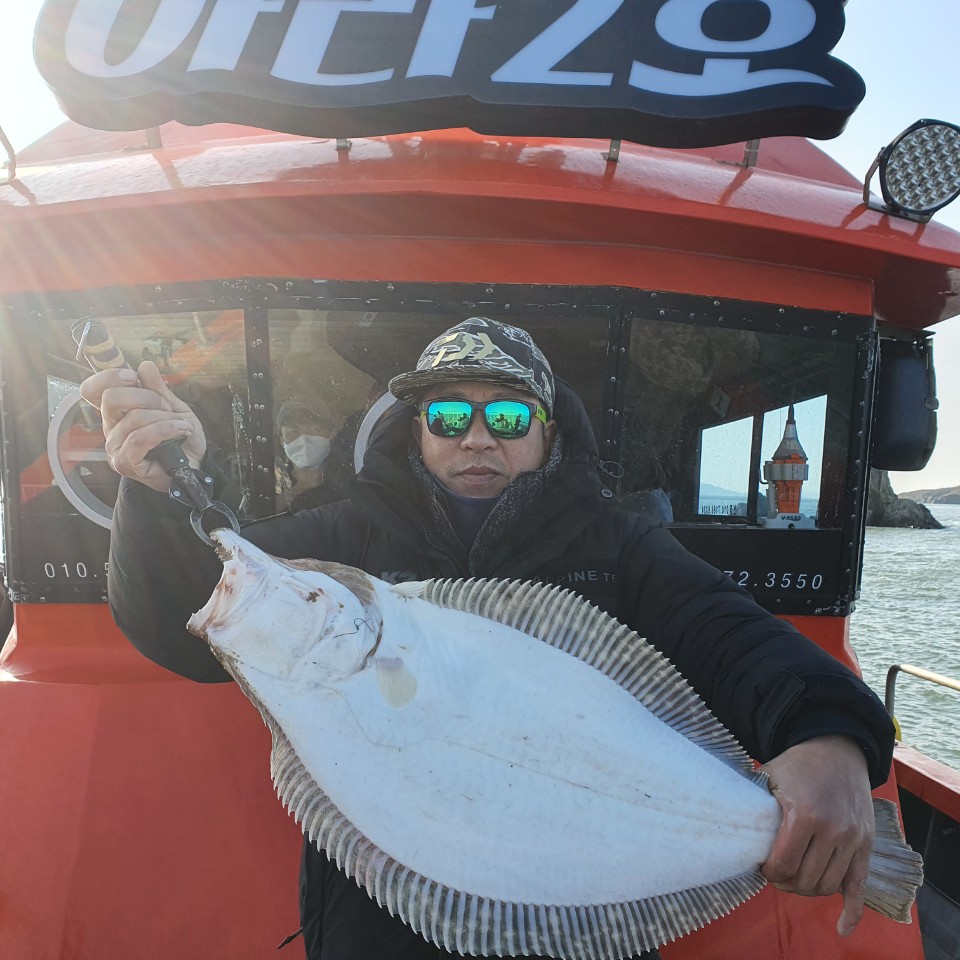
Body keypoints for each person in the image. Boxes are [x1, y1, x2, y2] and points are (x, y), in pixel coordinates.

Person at [80, 317, 894, 960]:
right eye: (448, 416)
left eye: (506, 415)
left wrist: (828, 734)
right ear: (418, 432)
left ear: (547, 433)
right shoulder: (339, 539)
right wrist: (153, 496)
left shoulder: (621, 546)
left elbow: (727, 630)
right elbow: (187, 617)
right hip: (378, 933)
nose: (477, 438)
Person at [275, 398, 346, 511]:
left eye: (315, 430)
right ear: (281, 440)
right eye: (293, 432)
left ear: (331, 435)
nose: (304, 440)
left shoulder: (347, 482)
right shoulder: (273, 491)